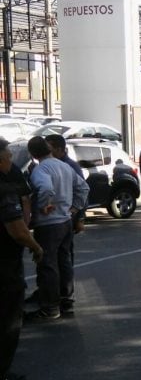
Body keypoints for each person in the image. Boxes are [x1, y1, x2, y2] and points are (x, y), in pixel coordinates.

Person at [25, 136, 89, 321]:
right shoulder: (64, 166)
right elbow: (83, 188)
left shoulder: (40, 170)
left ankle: (50, 308)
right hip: (65, 221)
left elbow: (45, 188)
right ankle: (66, 301)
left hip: (49, 224)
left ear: (32, 154)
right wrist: (75, 209)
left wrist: (44, 204)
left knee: (47, 265)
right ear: (49, 149)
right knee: (64, 261)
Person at [0, 138, 44, 380]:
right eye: (7, 157)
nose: (10, 161)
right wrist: (35, 246)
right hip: (4, 264)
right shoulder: (4, 189)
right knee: (8, 318)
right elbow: (17, 229)